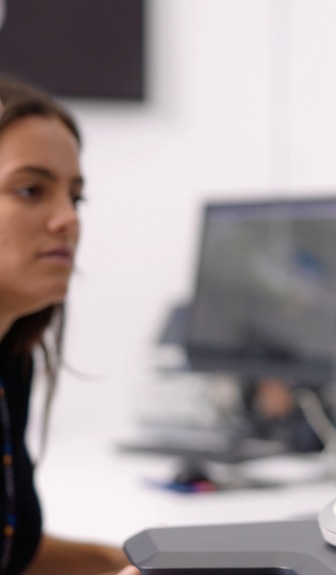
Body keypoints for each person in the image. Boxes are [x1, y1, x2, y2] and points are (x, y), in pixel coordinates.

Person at [0, 73, 139, 575]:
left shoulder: (11, 360)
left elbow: (14, 551)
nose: (68, 219)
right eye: (31, 190)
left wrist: (129, 562)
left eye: (75, 197)